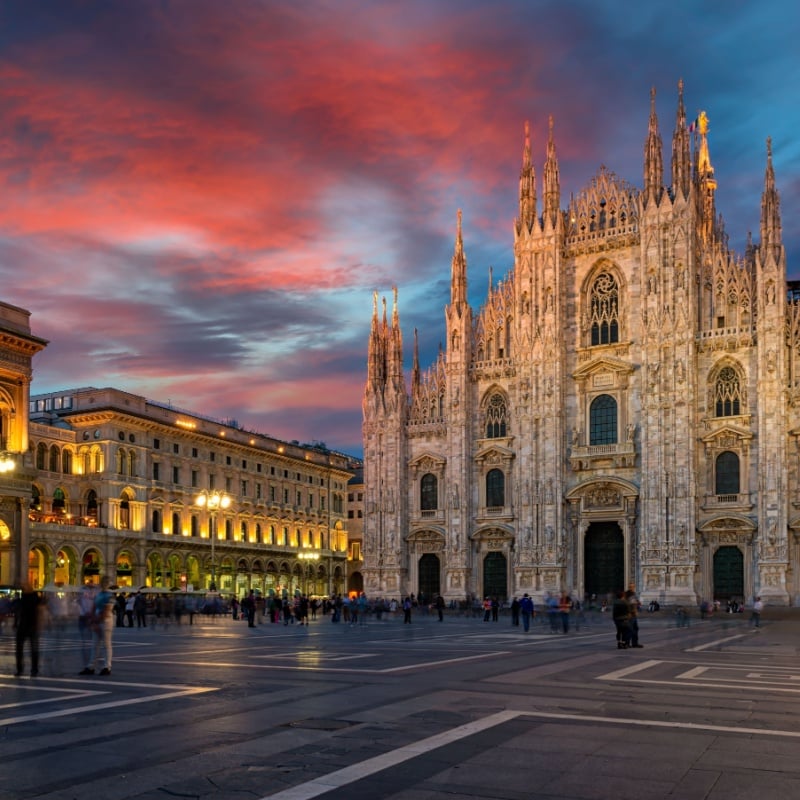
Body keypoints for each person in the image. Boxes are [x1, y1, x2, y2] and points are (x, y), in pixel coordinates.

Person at [81, 575, 115, 675]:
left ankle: (107, 667)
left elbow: (107, 611)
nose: (104, 584)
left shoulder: (110, 596)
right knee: (95, 645)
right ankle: (91, 666)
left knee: (106, 644)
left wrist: (95, 621)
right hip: (98, 620)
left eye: (105, 582)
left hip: (106, 622)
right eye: (103, 582)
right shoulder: (99, 594)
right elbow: (93, 607)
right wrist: (92, 620)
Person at [15, 582, 42, 677]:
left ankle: (22, 670)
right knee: (32, 650)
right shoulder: (35, 598)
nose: (23, 588)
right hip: (29, 626)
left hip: (27, 626)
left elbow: (19, 612)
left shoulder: (26, 598)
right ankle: (32, 670)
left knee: (21, 650)